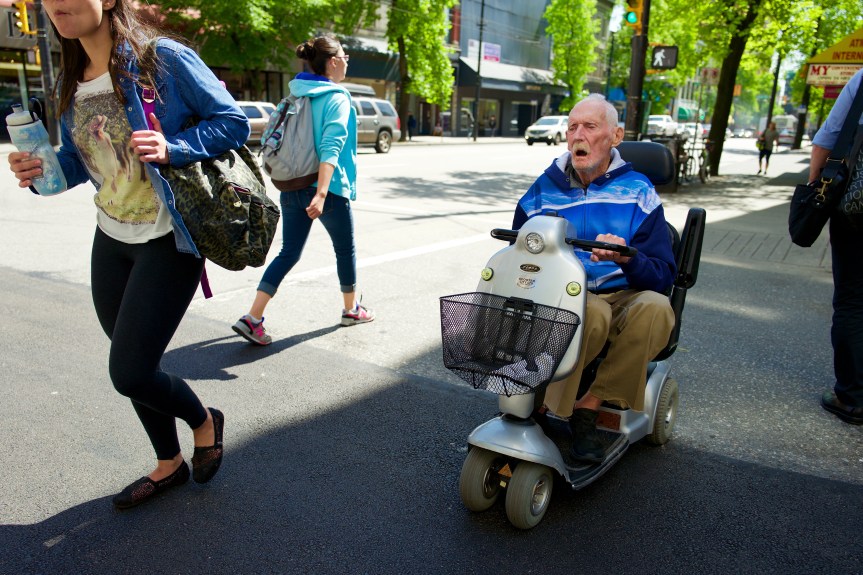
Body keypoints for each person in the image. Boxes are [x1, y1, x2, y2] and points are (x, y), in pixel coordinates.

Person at [7, 0, 241, 508]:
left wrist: (172, 146)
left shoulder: (163, 59)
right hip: (110, 239)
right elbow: (77, 163)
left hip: (168, 240)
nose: (55, 5)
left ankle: (204, 421)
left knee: (130, 371)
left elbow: (232, 121)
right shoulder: (74, 79)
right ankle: (168, 462)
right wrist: (37, 173)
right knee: (139, 362)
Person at [512, 94, 676, 462]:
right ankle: (546, 406)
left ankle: (588, 405)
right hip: (564, 293)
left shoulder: (638, 192)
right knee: (592, 311)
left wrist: (628, 258)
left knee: (656, 307)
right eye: (572, 127)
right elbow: (518, 256)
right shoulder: (542, 190)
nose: (578, 135)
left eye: (590, 126)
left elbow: (664, 275)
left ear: (615, 136)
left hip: (624, 294)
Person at [233, 36, 374, 346]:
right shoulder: (336, 97)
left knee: (289, 252)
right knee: (344, 249)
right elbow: (331, 147)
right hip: (327, 189)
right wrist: (322, 192)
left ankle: (252, 318)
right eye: (344, 55)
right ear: (333, 62)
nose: (347, 60)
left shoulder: (296, 94)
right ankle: (351, 309)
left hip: (292, 185)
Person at [809, 68, 863, 425]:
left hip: (858, 211)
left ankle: (853, 397)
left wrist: (815, 189)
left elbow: (828, 138)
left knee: (853, 299)